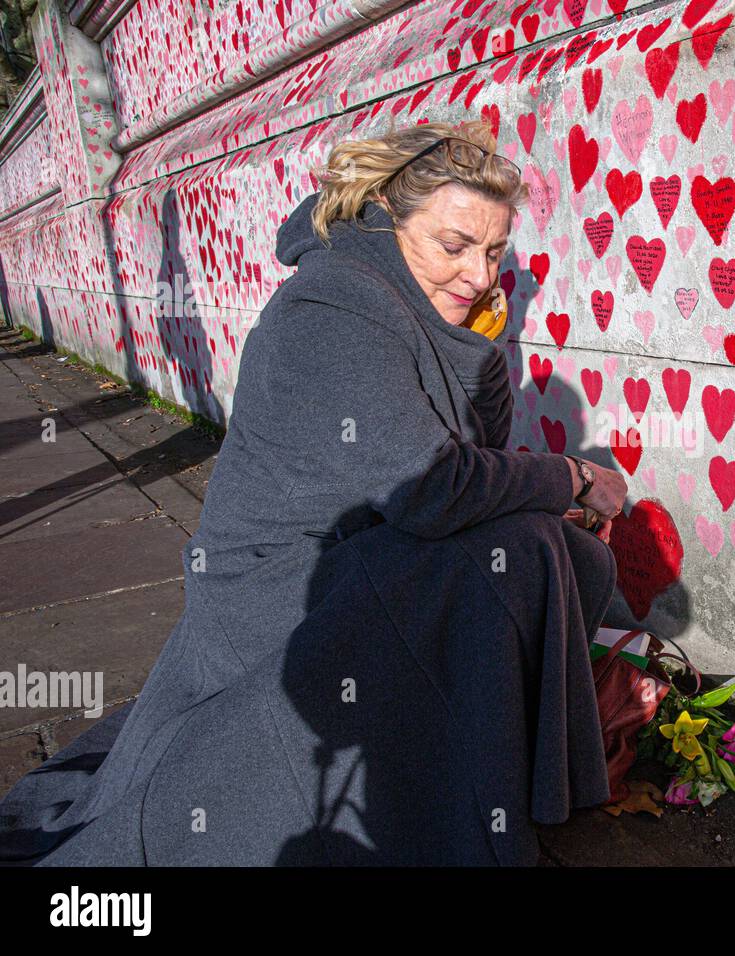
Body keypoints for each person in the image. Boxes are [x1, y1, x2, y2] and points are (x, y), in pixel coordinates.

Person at [0, 118, 629, 865]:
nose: (479, 274)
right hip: (278, 595)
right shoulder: (332, 308)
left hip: (364, 553)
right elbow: (436, 492)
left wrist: (479, 348)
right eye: (454, 246)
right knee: (519, 544)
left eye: (493, 251)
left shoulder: (405, 302)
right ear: (385, 221)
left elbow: (474, 458)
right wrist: (574, 476)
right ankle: (446, 800)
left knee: (571, 557)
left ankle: (480, 775)